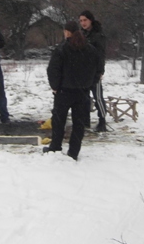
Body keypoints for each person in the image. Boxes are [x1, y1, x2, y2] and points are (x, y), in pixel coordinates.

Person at [44, 20, 102, 160]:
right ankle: (74, 151)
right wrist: (89, 84)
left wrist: (55, 87)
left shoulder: (62, 49)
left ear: (66, 32)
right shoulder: (90, 49)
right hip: (83, 92)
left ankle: (55, 146)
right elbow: (99, 70)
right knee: (79, 123)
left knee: (59, 121)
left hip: (64, 91)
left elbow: (53, 70)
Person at [79, 10, 108, 132]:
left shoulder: (98, 35)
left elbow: (101, 55)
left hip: (94, 71)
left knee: (98, 97)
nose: (83, 23)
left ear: (90, 20)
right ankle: (85, 121)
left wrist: (100, 71)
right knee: (84, 97)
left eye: (85, 20)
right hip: (83, 72)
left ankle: (102, 121)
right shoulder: (82, 35)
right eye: (81, 21)